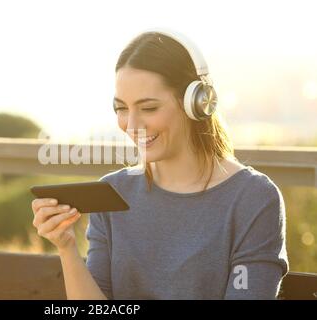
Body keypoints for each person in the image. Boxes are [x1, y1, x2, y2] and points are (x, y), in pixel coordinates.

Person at [31, 29, 289, 299]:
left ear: (196, 103)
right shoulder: (111, 193)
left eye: (149, 108)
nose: (131, 126)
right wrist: (66, 248)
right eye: (121, 108)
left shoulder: (253, 198)